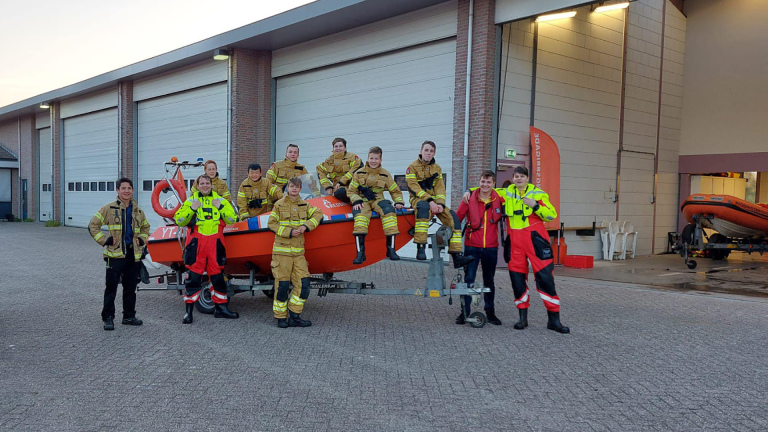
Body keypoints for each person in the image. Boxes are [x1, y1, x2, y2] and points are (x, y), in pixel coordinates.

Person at [463, 166, 569, 333]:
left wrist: (535, 206)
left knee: (545, 278)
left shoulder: (538, 194)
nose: (519, 179)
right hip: (515, 242)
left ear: (527, 178)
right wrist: (469, 190)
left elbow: (551, 215)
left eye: (522, 176)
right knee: (517, 280)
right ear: (513, 179)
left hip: (535, 240)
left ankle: (554, 320)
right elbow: (486, 188)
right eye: (516, 176)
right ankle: (522, 318)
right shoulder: (506, 192)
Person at [175, 174, 239, 324]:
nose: (204, 185)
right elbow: (179, 219)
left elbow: (232, 219)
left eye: (207, 183)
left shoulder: (220, 200)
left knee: (218, 277)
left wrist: (221, 207)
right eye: (201, 183)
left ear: (211, 184)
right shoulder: (191, 200)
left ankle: (221, 309)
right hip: (197, 244)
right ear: (197, 185)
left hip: (215, 243)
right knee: (193, 278)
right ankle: (188, 312)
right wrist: (191, 209)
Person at [88, 177, 150, 331]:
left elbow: (146, 228)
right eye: (123, 188)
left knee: (130, 288)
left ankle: (129, 316)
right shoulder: (108, 208)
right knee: (111, 288)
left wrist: (142, 240)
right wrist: (105, 240)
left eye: (129, 188)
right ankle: (108, 318)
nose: (126, 191)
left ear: (132, 190)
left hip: (132, 255)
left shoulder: (138, 211)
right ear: (117, 190)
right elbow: (93, 226)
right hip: (114, 256)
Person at [405, 140, 474, 268]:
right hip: (418, 200)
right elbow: (414, 188)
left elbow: (440, 189)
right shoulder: (412, 167)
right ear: (421, 151)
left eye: (431, 151)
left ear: (434, 153)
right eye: (426, 150)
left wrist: (441, 204)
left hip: (436, 202)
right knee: (424, 209)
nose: (428, 153)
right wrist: (430, 201)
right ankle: (420, 248)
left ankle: (457, 256)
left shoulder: (437, 169)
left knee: (454, 219)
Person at [268, 177, 324, 328]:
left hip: (298, 254)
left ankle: (294, 316)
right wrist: (289, 232)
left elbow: (318, 214)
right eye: (291, 186)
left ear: (300, 189)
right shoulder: (279, 205)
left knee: (304, 284)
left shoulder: (305, 205)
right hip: (282, 253)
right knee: (283, 286)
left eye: (297, 187)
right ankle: (280, 317)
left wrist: (306, 226)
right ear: (287, 188)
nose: (294, 189)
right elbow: (272, 223)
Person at [455, 170, 504, 326]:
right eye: (483, 181)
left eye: (488, 182)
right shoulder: (469, 198)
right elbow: (457, 219)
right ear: (479, 181)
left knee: (489, 281)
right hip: (472, 246)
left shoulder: (499, 199)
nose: (485, 185)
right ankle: (464, 311)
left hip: (491, 247)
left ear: (494, 183)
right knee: (469, 279)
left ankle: (490, 312)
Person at [347, 146, 405, 264]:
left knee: (389, 211)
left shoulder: (385, 174)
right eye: (371, 158)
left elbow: (395, 191)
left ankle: (391, 250)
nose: (373, 161)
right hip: (363, 200)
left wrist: (399, 201)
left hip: (378, 199)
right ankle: (360, 254)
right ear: (367, 159)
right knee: (360, 219)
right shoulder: (359, 173)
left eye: (376, 159)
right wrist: (356, 200)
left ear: (380, 160)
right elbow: (351, 191)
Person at [316, 137, 361, 203]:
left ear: (345, 148)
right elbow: (320, 170)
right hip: (337, 189)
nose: (338, 148)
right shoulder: (329, 160)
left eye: (340, 146)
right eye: (336, 146)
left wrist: (341, 182)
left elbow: (355, 170)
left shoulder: (352, 158)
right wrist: (328, 186)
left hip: (352, 186)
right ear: (333, 148)